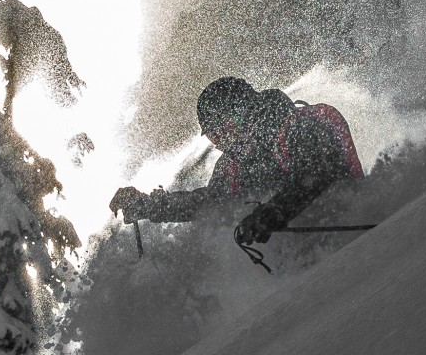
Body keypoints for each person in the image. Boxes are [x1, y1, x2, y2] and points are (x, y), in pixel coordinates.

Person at [110, 76, 364, 247]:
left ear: (250, 111)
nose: (223, 142)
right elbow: (208, 203)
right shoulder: (234, 165)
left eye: (228, 128)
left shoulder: (302, 124)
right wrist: (151, 206)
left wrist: (273, 212)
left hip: (356, 232)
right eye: (214, 136)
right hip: (307, 256)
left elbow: (317, 174)